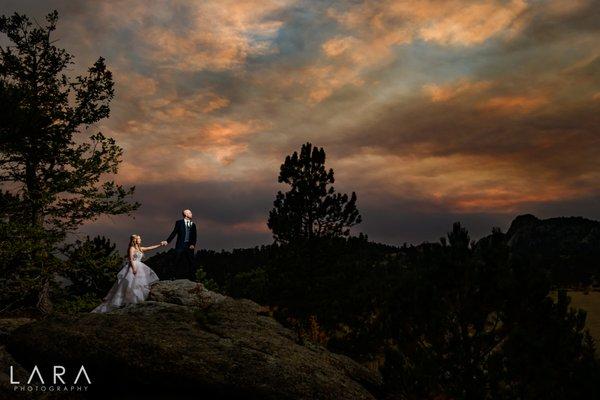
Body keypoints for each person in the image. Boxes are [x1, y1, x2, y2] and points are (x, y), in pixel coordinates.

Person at [91, 234, 165, 313]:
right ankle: (127, 302)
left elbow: (150, 248)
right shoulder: (132, 248)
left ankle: (136, 302)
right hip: (133, 267)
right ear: (135, 240)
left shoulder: (140, 248)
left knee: (138, 285)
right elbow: (131, 259)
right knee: (130, 284)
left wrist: (160, 244)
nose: (140, 240)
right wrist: (134, 268)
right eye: (139, 239)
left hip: (140, 267)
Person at [162, 209, 197, 280]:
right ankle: (173, 276)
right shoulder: (179, 223)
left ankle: (192, 278)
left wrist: (193, 244)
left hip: (189, 246)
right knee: (176, 260)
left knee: (191, 262)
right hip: (180, 245)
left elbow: (194, 236)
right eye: (190, 213)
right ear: (186, 214)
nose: (191, 214)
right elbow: (174, 233)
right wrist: (167, 241)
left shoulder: (193, 224)